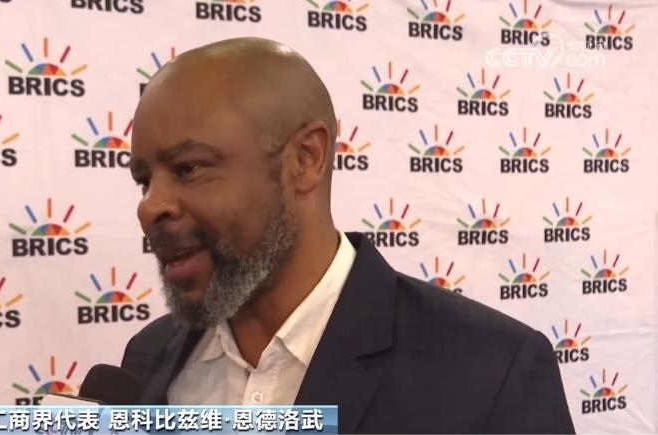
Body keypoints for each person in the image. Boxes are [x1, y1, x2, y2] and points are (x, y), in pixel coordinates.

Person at [121, 37, 575, 434]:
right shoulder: (146, 358)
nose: (150, 207)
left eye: (189, 168)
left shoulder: (493, 372)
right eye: (144, 181)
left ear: (306, 159)